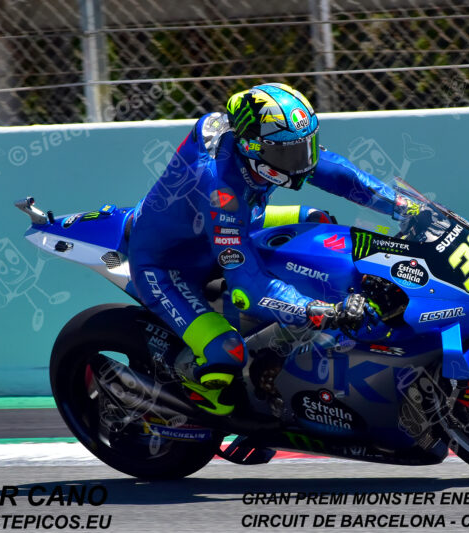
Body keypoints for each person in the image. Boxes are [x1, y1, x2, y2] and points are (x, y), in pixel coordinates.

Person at [128, 83, 417, 415]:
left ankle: (280, 350)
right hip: (168, 263)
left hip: (239, 222)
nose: (302, 163)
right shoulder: (221, 189)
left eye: (306, 147)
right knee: (226, 353)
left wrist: (404, 207)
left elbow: (337, 174)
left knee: (318, 222)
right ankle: (185, 404)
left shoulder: (261, 148)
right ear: (251, 147)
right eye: (289, 154)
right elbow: (248, 287)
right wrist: (319, 310)